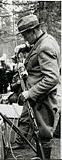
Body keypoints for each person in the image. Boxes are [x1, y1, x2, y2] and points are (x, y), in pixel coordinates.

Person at [12, 14, 60, 159]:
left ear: (33, 31)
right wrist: (24, 47)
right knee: (38, 132)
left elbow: (52, 78)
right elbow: (35, 48)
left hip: (43, 98)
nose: (25, 39)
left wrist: (30, 93)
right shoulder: (45, 40)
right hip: (39, 96)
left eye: (25, 36)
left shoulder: (45, 47)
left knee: (44, 135)